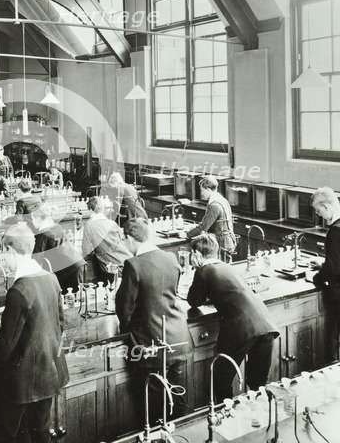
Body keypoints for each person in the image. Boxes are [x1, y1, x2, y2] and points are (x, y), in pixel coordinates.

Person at [0, 223, 69, 443]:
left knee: (5, 434)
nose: (3, 259)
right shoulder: (50, 278)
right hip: (49, 372)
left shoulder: (19, 290)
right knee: (40, 432)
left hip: (22, 381)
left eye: (4, 253)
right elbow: (60, 324)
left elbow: (5, 347)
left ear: (11, 251)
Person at [115, 218, 193, 425]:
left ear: (130, 239)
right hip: (178, 336)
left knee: (154, 402)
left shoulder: (133, 264)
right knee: (177, 396)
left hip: (151, 341)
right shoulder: (170, 257)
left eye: (124, 240)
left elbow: (125, 308)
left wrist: (127, 328)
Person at [187, 233, 278, 401]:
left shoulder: (203, 271)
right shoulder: (228, 267)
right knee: (258, 382)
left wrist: (197, 270)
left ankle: (225, 416)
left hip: (242, 328)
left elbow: (193, 301)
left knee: (222, 376)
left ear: (197, 255)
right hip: (266, 325)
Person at [31, 203, 85, 294]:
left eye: (32, 219)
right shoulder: (57, 227)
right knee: (78, 300)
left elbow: (37, 258)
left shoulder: (42, 234)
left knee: (69, 301)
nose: (32, 222)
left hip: (68, 271)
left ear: (38, 219)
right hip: (79, 263)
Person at [81, 196, 132, 285]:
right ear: (103, 209)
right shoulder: (113, 223)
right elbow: (122, 241)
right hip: (127, 260)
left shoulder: (89, 225)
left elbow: (86, 251)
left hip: (110, 265)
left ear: (89, 209)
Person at [186, 176, 237, 260]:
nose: (201, 193)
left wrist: (187, 234)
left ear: (208, 189)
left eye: (202, 191)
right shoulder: (222, 200)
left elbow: (203, 227)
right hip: (227, 242)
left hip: (221, 245)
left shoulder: (214, 205)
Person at [309, 187, 340, 299]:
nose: (318, 214)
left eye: (318, 210)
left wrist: (316, 278)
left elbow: (334, 268)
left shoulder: (336, 229)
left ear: (325, 207)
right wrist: (324, 265)